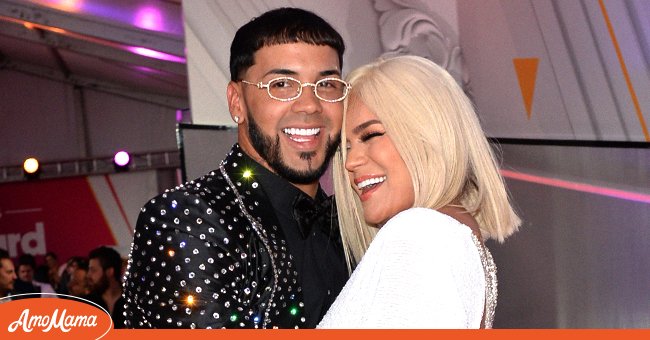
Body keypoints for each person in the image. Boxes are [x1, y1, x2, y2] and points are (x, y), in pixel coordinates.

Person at [122, 7, 349, 329]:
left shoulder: (350, 222)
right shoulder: (188, 218)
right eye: (282, 84)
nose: (310, 105)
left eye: (327, 85)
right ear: (237, 102)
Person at [318, 55, 521, 328]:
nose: (349, 162)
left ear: (426, 133)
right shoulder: (447, 236)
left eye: (370, 135)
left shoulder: (420, 232)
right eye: (346, 147)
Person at [86, 246, 126, 328]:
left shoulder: (134, 303)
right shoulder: (86, 303)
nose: (88, 275)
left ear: (110, 272)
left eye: (93, 270)